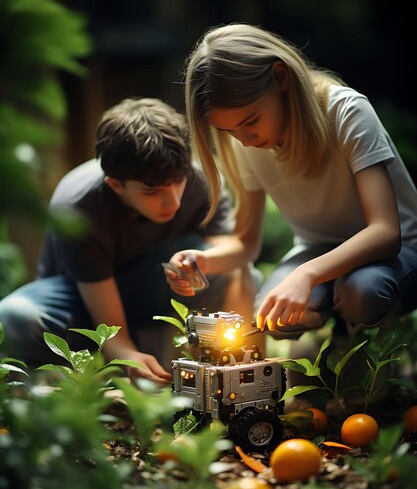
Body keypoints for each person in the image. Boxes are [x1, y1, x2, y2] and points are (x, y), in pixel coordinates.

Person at [171, 22, 417, 343]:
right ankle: (336, 336)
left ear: (281, 76)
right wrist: (203, 259)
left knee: (361, 292)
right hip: (318, 251)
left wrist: (306, 274)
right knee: (270, 309)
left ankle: (370, 346)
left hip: (398, 253)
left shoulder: (346, 111)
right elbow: (246, 243)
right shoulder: (245, 145)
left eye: (251, 121)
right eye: (230, 131)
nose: (244, 140)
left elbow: (386, 233)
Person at [0, 97, 256, 382]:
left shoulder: (198, 178)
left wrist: (200, 262)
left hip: (154, 286)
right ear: (116, 185)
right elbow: (109, 322)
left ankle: (237, 373)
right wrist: (128, 354)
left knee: (241, 273)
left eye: (178, 183)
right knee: (15, 315)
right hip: (81, 299)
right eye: (152, 191)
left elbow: (232, 251)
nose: (172, 201)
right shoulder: (79, 205)